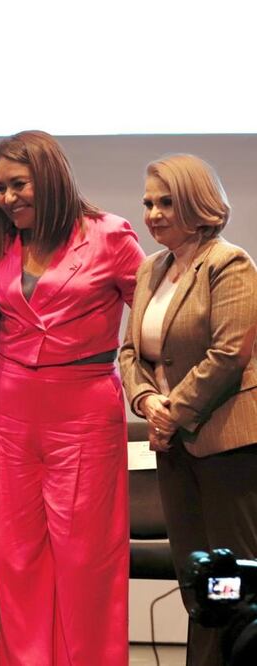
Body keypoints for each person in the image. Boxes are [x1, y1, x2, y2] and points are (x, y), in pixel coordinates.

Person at [0, 130, 144, 665]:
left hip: (82, 409)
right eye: (1, 188)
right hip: (8, 412)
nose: (9, 198)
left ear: (50, 177)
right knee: (17, 556)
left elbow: (150, 322)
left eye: (19, 184)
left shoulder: (110, 236)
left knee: (85, 559)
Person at [119, 154, 257, 666]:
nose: (152, 213)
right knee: (197, 584)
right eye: (148, 203)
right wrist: (146, 401)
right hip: (173, 443)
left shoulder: (230, 263)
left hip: (227, 446)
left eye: (166, 201)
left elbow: (229, 355)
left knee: (231, 587)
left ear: (198, 202)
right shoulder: (151, 269)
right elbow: (130, 352)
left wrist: (171, 411)